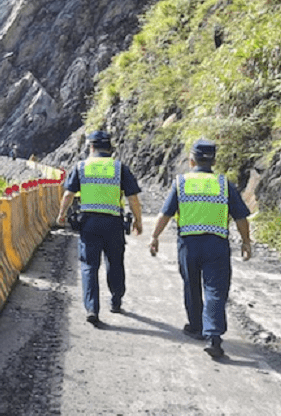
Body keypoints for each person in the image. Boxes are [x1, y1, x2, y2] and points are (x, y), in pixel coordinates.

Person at [149, 138, 252, 358]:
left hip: (189, 243)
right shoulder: (224, 184)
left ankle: (196, 326)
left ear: (191, 160)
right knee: (215, 289)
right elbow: (241, 217)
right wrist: (246, 241)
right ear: (213, 161)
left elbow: (165, 214)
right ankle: (213, 336)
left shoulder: (181, 183)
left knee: (191, 285)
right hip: (216, 243)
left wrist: (155, 236)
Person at [56, 130, 143, 325]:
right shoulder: (120, 168)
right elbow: (133, 198)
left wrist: (62, 214)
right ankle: (116, 300)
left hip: (89, 223)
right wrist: (138, 220)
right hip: (114, 223)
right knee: (115, 262)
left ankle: (92, 309)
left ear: (91, 147)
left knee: (89, 265)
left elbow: (68, 194)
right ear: (110, 148)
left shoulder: (81, 167)